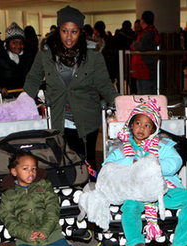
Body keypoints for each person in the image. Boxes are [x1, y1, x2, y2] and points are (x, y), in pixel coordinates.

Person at [23, 6, 118, 173]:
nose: (69, 37)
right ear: (58, 30)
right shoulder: (46, 52)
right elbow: (33, 78)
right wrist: (22, 104)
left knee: (87, 165)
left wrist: (119, 104)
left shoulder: (93, 54)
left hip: (86, 119)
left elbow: (104, 83)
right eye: (64, 31)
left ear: (80, 32)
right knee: (60, 165)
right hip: (58, 119)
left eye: (74, 32)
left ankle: (88, 196)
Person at [103, 101, 187, 246]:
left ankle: (183, 239)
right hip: (135, 192)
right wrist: (132, 163)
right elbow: (108, 167)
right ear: (131, 125)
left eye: (147, 125)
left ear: (153, 129)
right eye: (138, 123)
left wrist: (150, 165)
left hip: (162, 191)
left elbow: (174, 164)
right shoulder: (120, 148)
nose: (141, 128)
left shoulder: (163, 145)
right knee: (130, 207)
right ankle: (136, 242)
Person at [0, 151, 78, 246]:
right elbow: (8, 218)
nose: (31, 172)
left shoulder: (44, 186)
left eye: (34, 168)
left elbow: (52, 209)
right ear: (14, 171)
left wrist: (45, 229)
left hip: (50, 229)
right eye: (25, 168)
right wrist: (25, 233)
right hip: (26, 234)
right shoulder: (9, 194)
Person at [0, 22, 35, 101]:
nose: (18, 46)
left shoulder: (28, 56)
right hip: (5, 99)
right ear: (8, 43)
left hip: (23, 98)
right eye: (14, 42)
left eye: (21, 43)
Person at [131, 10, 160, 94]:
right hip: (142, 71)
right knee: (143, 96)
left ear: (143, 20)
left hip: (146, 70)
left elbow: (140, 46)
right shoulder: (147, 32)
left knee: (146, 97)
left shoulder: (149, 33)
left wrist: (134, 45)